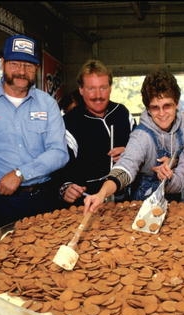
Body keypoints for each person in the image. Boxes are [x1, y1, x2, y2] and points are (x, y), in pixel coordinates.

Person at [0, 34, 68, 228]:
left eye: (29, 66)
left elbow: (60, 153)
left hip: (43, 198)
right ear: (2, 63)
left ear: (37, 69)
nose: (22, 71)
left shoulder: (47, 104)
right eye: (15, 64)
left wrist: (20, 173)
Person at [84, 69, 184, 212]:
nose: (161, 114)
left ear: (177, 104)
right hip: (145, 203)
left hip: (178, 200)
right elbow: (125, 167)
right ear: (147, 109)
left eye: (167, 106)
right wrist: (102, 193)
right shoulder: (141, 136)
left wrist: (175, 162)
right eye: (155, 108)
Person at [55, 59, 135, 207]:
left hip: (124, 202)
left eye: (103, 87)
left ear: (110, 87)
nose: (98, 95)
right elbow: (59, 167)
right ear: (81, 89)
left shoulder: (122, 113)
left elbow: (141, 149)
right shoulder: (69, 122)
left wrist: (129, 152)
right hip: (86, 203)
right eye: (91, 88)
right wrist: (65, 187)